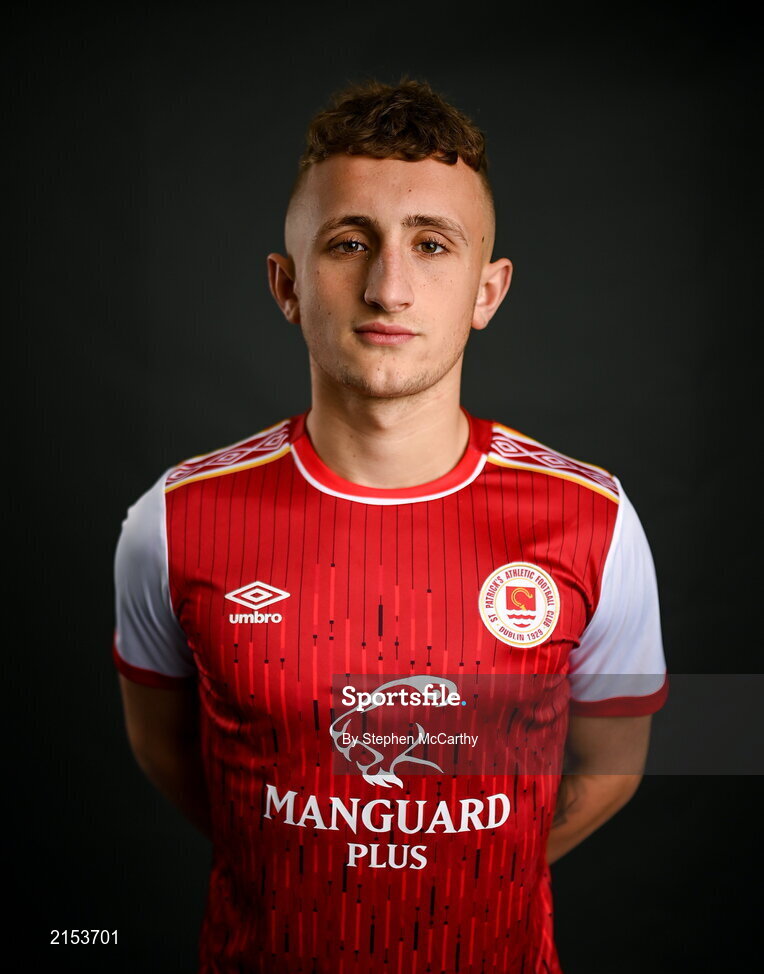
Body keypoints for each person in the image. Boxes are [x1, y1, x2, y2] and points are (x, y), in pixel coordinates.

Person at [112, 78, 668, 974]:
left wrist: (467, 879)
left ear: (487, 291)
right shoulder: (173, 522)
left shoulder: (594, 519)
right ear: (287, 285)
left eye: (431, 244)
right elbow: (162, 746)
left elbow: (616, 761)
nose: (389, 287)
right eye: (349, 243)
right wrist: (293, 866)